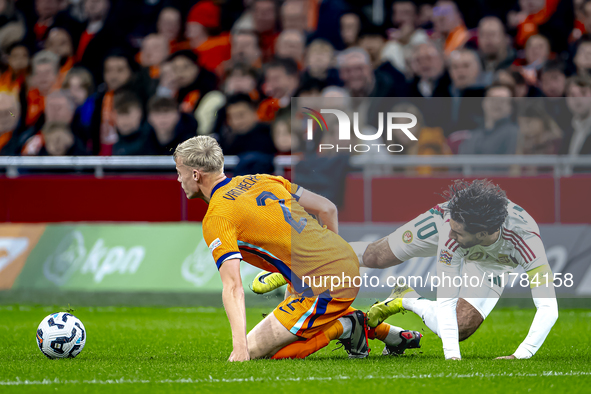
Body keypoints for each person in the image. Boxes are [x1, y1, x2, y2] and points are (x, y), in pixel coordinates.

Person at [173, 135, 416, 360]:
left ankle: (347, 326)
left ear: (195, 175)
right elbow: (327, 208)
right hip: (341, 259)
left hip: (324, 281)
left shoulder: (217, 217)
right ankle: (387, 332)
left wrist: (240, 349)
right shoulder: (260, 179)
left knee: (259, 352)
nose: (178, 179)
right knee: (309, 316)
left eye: (179, 172)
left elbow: (233, 286)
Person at [258, 180, 559, 360]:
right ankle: (303, 263)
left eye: (458, 233)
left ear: (482, 233)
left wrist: (522, 355)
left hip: (493, 263)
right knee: (377, 256)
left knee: (460, 328)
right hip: (451, 225)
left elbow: (548, 307)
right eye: (451, 229)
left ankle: (406, 298)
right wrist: (453, 360)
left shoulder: (525, 242)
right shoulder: (450, 228)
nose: (450, 237)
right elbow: (446, 297)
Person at [458, 83, 519, 155]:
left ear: (511, 107)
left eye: (503, 100)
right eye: (493, 99)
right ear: (484, 103)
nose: (497, 104)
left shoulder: (515, 135)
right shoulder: (473, 136)